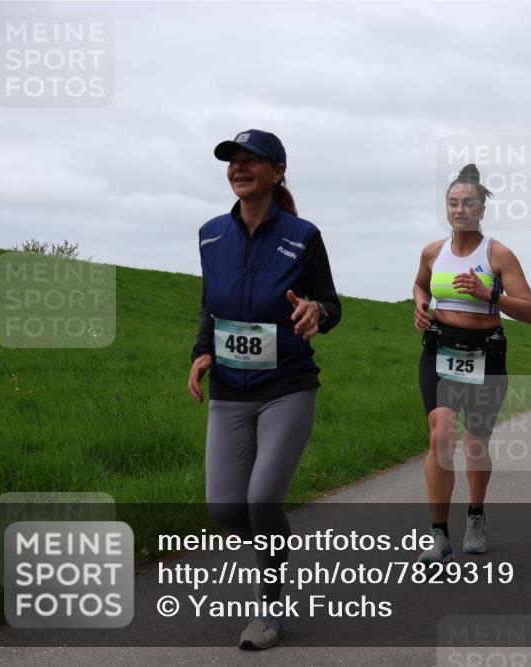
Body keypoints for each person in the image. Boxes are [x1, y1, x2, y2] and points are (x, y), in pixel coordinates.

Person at [187, 129, 342, 650]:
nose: (239, 168)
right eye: (233, 161)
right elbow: (210, 305)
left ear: (277, 173)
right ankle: (272, 544)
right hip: (230, 389)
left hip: (288, 386)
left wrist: (316, 312)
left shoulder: (303, 235)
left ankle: (270, 607)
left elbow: (331, 303)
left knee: (261, 497)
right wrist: (201, 353)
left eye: (252, 161)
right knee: (226, 508)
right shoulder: (211, 234)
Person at [413, 164, 531, 563]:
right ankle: (437, 534)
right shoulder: (433, 252)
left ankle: (476, 516)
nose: (460, 209)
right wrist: (420, 303)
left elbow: (530, 311)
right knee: (441, 434)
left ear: (483, 209)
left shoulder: (498, 254)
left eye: (468, 203)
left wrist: (491, 295)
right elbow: (420, 283)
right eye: (453, 203)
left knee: (476, 442)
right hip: (440, 348)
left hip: (485, 350)